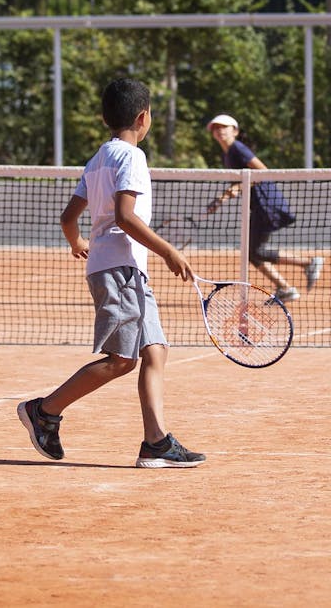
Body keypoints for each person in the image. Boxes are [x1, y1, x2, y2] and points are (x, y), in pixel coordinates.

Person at [18, 78, 205, 471]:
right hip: (120, 268)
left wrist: (78, 242)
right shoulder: (131, 158)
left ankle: (156, 443)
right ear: (144, 117)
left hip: (124, 268)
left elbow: (69, 217)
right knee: (122, 359)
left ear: (106, 118)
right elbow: (125, 216)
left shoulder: (99, 158)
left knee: (156, 351)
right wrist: (168, 250)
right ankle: (45, 411)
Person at [207, 114, 324, 300]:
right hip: (257, 206)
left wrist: (235, 189)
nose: (219, 130)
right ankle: (286, 288)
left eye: (224, 126)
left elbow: (261, 171)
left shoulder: (238, 148)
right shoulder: (227, 154)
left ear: (235, 131)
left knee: (255, 251)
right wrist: (221, 199)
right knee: (252, 253)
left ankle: (308, 264)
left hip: (266, 203)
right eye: (215, 127)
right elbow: (242, 182)